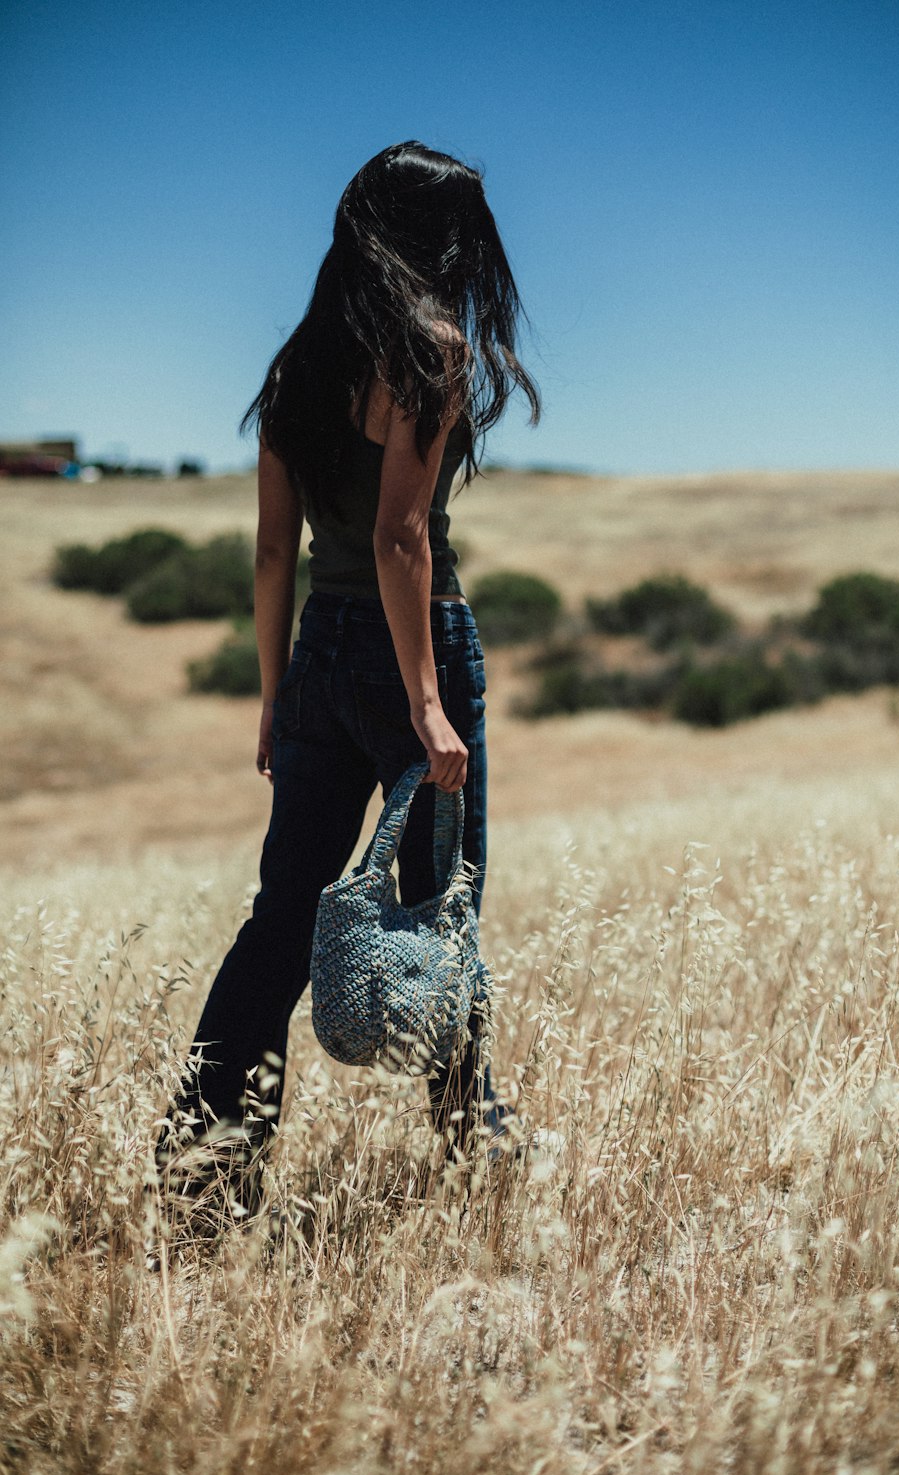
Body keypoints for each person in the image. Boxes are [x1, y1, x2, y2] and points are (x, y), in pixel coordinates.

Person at [153, 141, 541, 1209]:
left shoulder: (297, 362)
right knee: (442, 911)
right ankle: (477, 1158)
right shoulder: (431, 349)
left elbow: (274, 551)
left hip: (318, 654)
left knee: (280, 921)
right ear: (442, 240)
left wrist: (277, 694)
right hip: (414, 652)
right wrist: (424, 703)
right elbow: (401, 535)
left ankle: (201, 1172)